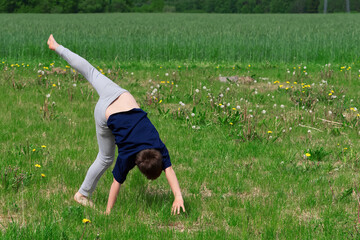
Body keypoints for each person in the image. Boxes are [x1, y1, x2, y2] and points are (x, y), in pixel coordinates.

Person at [47, 34, 185, 215]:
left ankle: (56, 46)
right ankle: (82, 194)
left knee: (90, 71)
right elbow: (116, 183)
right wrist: (108, 213)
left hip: (120, 95)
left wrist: (178, 196)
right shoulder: (127, 156)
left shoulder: (157, 145)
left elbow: (168, 169)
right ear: (138, 165)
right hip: (106, 114)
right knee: (105, 158)